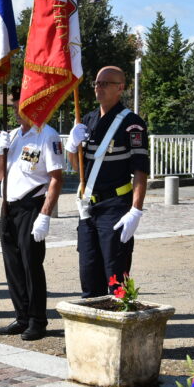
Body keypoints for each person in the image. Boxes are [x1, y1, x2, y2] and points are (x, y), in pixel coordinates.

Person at [65, 65, 149, 297]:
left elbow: (140, 171)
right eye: (96, 84)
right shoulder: (88, 119)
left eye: (105, 83)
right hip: (88, 207)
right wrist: (72, 147)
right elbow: (79, 168)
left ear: (120, 88)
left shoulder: (131, 123)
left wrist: (136, 210)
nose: (98, 88)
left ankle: (121, 325)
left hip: (115, 206)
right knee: (88, 274)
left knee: (116, 276)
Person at [0, 87, 65, 341]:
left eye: (20, 106)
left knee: (31, 265)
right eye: (14, 107)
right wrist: (0, 150)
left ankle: (37, 320)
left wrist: (45, 214)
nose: (16, 111)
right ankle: (21, 316)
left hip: (32, 206)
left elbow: (56, 178)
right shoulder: (12, 136)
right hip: (8, 207)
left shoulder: (47, 135)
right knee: (12, 266)